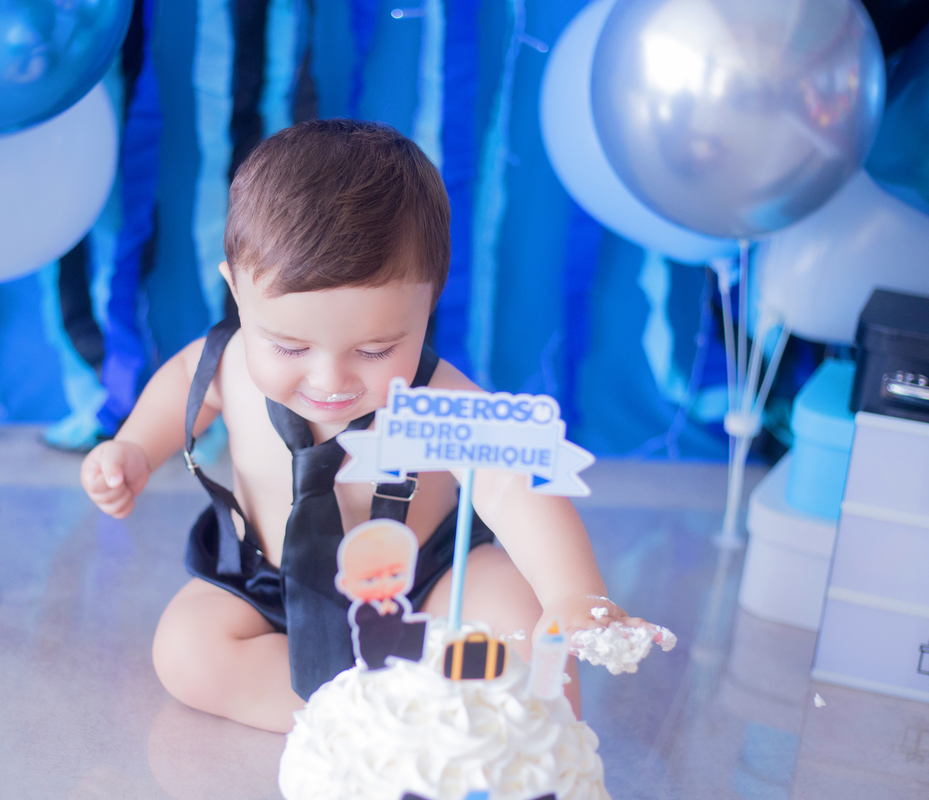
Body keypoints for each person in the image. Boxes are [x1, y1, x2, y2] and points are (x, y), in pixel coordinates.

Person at [81, 120, 660, 733]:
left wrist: (573, 592)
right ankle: (359, 717)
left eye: (377, 349)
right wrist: (136, 446)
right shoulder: (225, 362)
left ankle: (477, 714)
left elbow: (511, 482)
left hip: (430, 581)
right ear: (236, 291)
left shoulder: (439, 398)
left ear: (429, 303)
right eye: (288, 346)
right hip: (268, 583)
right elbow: (181, 385)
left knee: (517, 630)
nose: (331, 379)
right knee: (187, 650)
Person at [335, 519, 429, 670]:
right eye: (370, 579)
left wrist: (394, 610)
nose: (384, 583)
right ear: (345, 584)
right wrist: (380, 613)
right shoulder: (364, 608)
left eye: (395, 575)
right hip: (373, 646)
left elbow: (402, 613)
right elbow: (361, 619)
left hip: (398, 645)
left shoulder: (396, 602)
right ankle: (376, 663)